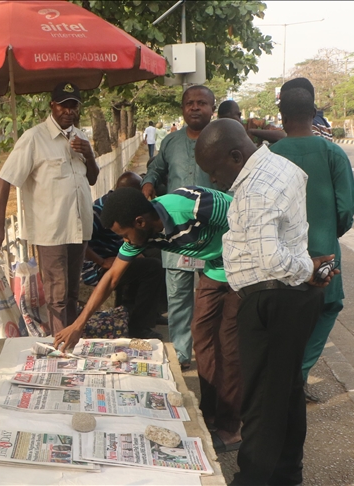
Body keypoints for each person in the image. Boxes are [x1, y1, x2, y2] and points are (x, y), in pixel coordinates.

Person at [195, 118, 335, 486]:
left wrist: (307, 268)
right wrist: (308, 270)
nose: (212, 180)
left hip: (270, 298)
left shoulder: (255, 189)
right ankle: (288, 474)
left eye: (214, 170)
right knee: (285, 393)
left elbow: (272, 259)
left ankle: (254, 479)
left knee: (259, 403)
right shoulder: (279, 166)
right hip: (288, 299)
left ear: (236, 155)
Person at [54, 184, 241, 450]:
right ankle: (210, 412)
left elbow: (248, 218)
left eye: (125, 235)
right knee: (202, 338)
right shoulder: (142, 231)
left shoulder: (195, 205)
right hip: (213, 270)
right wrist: (78, 324)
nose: (125, 242)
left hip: (244, 270)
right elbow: (111, 278)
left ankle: (231, 428)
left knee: (229, 347)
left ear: (139, 222)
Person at [0, 82, 99, 335]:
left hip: (79, 229)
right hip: (52, 232)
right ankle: (62, 348)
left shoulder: (80, 137)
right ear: (52, 105)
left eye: (73, 106)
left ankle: (70, 341)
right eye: (63, 105)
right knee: (57, 296)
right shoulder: (34, 138)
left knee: (71, 292)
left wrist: (89, 154)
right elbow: (5, 178)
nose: (68, 111)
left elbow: (92, 178)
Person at [269, 87, 354, 401]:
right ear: (313, 113)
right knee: (328, 307)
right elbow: (347, 206)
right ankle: (299, 374)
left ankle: (281, 375)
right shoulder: (332, 153)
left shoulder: (270, 155)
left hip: (279, 256)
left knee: (283, 315)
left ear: (283, 117)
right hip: (325, 252)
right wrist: (331, 231)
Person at [140, 85, 216, 371]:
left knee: (214, 294)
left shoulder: (221, 138)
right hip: (177, 230)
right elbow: (156, 168)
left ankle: (211, 351)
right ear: (183, 108)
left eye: (201, 103)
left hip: (213, 232)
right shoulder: (171, 142)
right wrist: (148, 181)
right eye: (189, 103)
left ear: (212, 107)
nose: (195, 108)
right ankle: (182, 354)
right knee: (178, 296)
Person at [80, 172, 164, 340]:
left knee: (158, 253)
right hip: (96, 267)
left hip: (118, 254)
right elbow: (81, 242)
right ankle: (138, 327)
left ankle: (152, 311)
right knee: (152, 268)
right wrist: (101, 261)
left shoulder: (125, 209)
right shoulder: (99, 211)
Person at [217, 100, 285, 146]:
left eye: (232, 120)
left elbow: (282, 135)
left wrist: (252, 132)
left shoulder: (255, 123)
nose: (229, 124)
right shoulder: (219, 132)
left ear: (239, 115)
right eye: (224, 121)